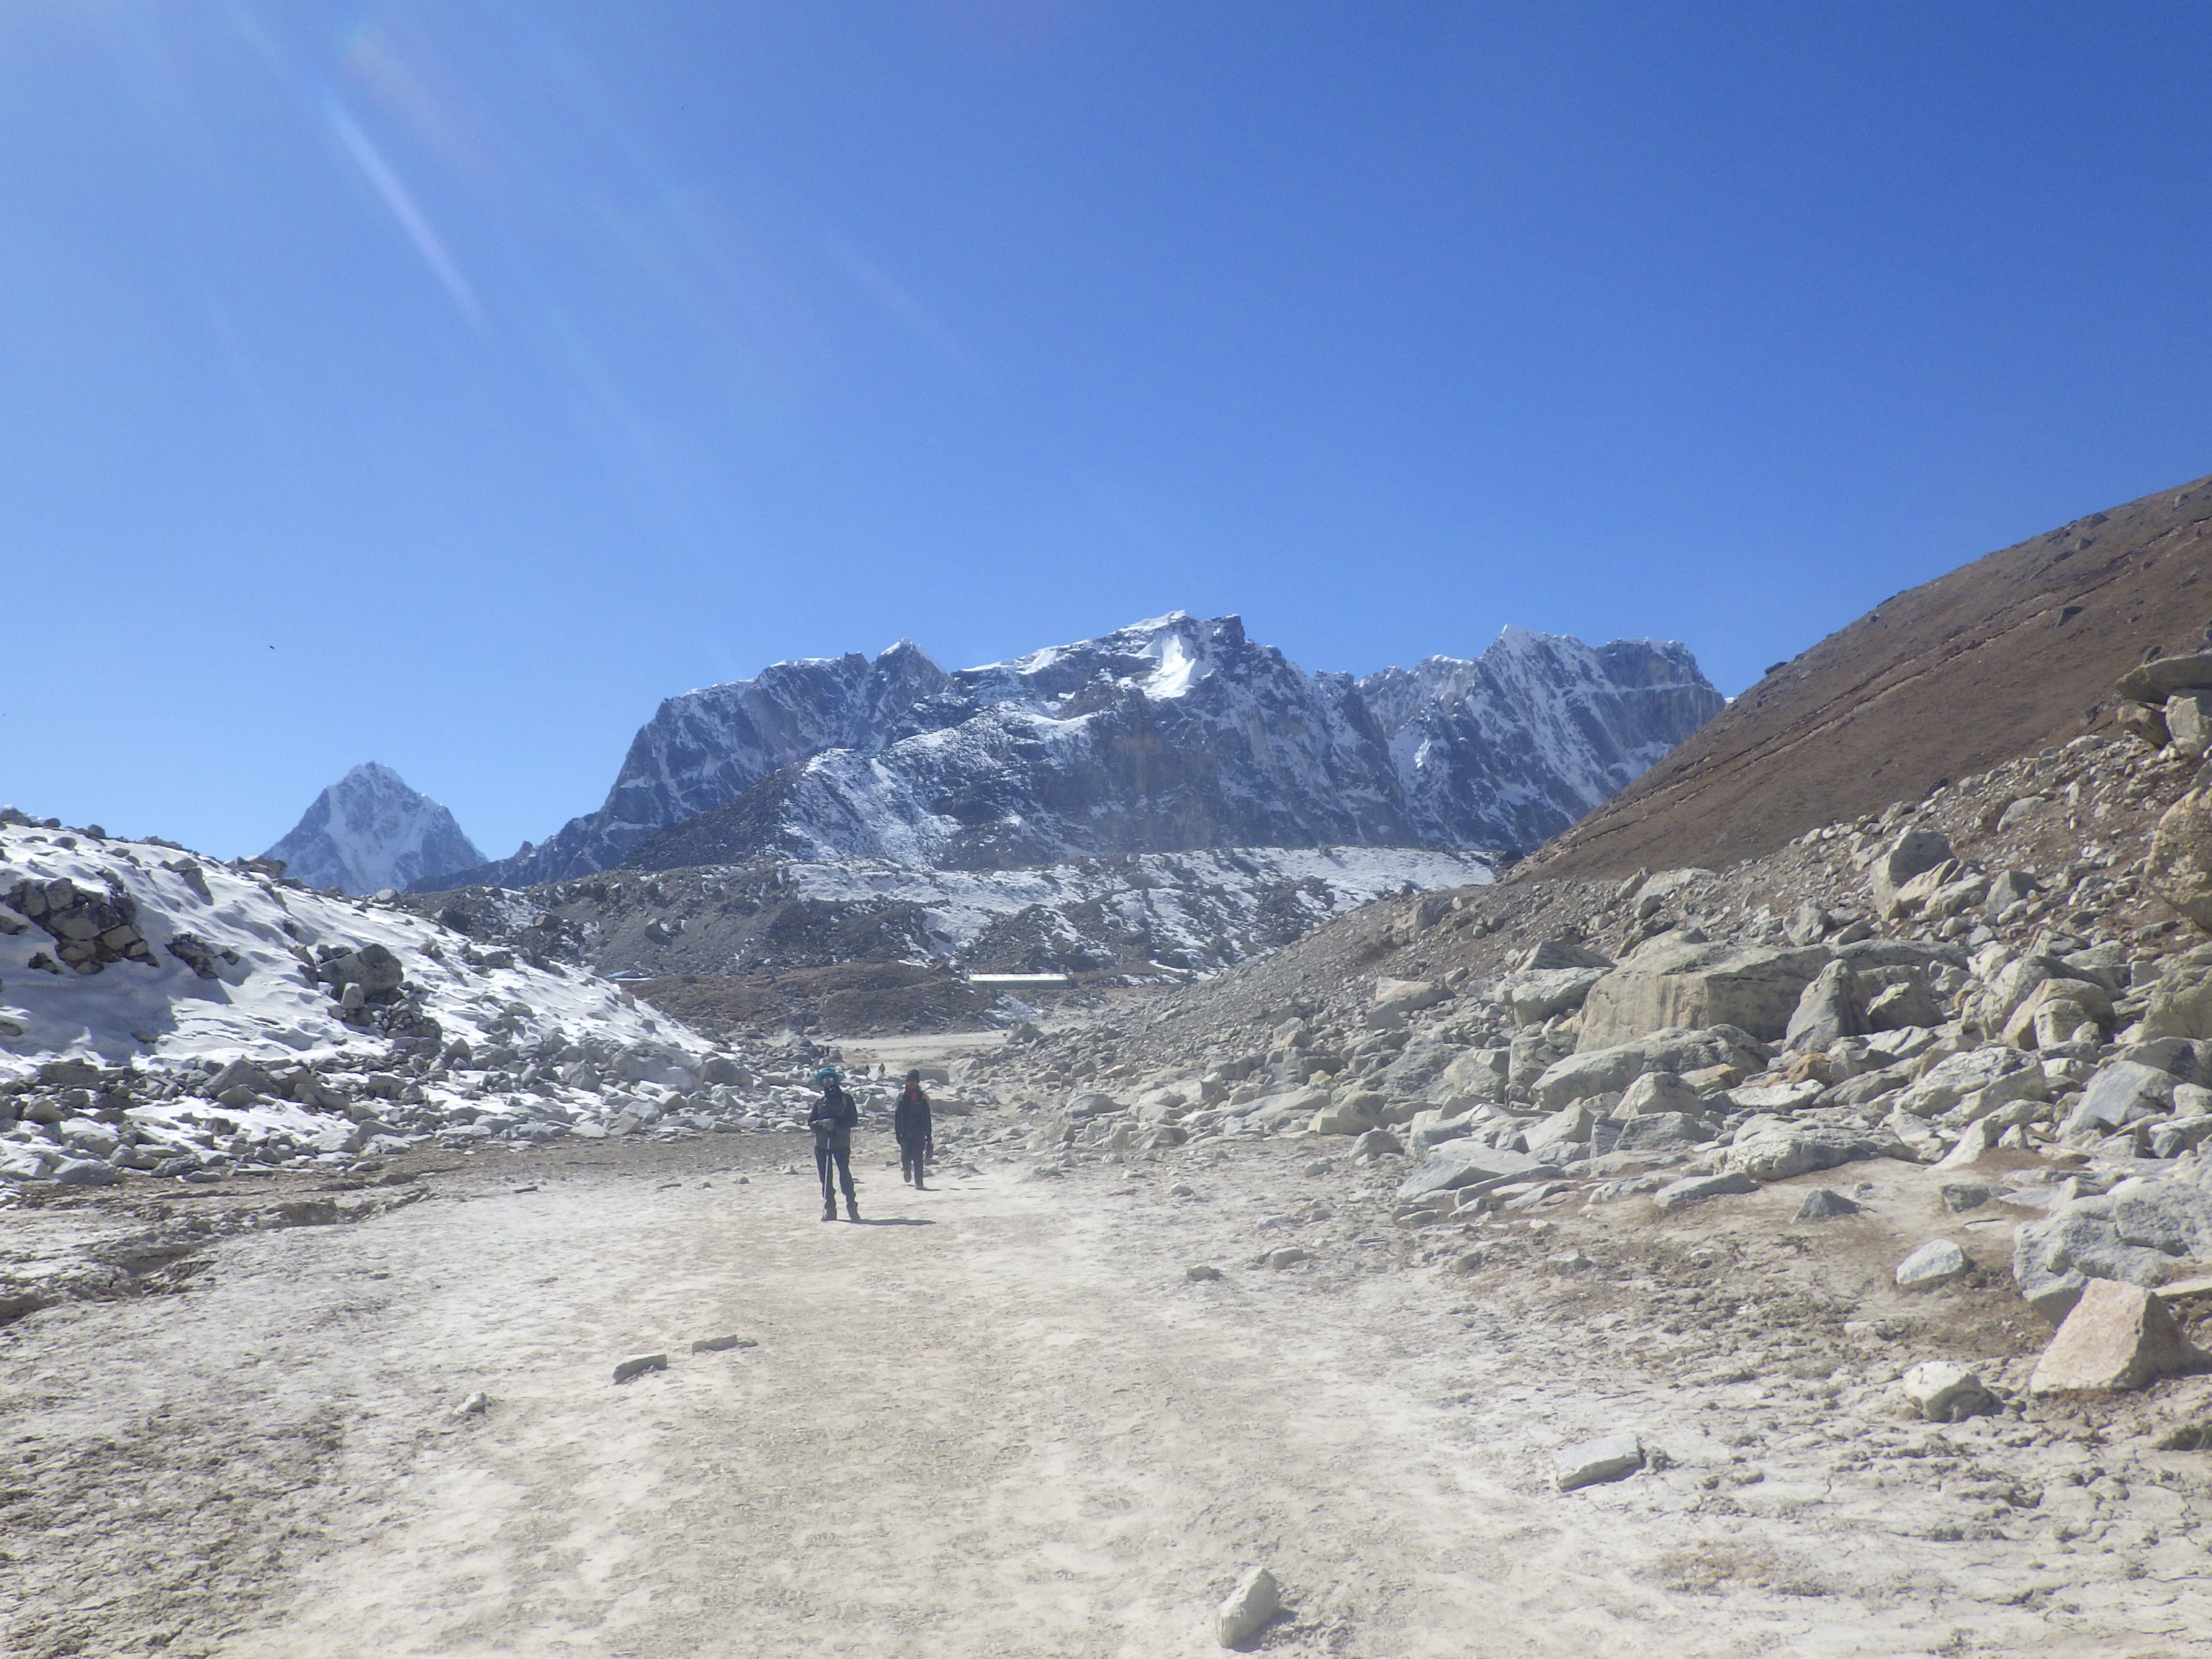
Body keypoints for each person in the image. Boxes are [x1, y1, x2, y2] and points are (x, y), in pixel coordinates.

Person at [808, 1066, 860, 1221]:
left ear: (836, 1081)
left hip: (841, 1144)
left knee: (845, 1175)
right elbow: (811, 1123)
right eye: (825, 1080)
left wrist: (836, 1123)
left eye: (831, 1079)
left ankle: (852, 1206)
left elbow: (853, 1120)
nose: (828, 1083)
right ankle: (830, 1208)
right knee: (825, 1178)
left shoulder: (846, 1099)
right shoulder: (820, 1101)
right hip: (822, 1145)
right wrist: (822, 1124)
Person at [894, 1069, 934, 1189]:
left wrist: (928, 1135)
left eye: (914, 1081)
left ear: (918, 1082)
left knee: (918, 1158)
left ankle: (919, 1182)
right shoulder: (901, 1096)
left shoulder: (923, 1097)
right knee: (905, 1156)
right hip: (905, 1131)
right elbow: (897, 1116)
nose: (911, 1083)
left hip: (919, 1132)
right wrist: (898, 1132)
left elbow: (927, 1117)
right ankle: (906, 1169)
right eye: (909, 1081)